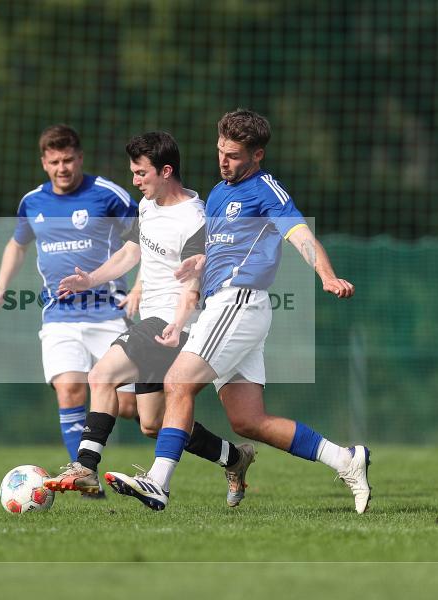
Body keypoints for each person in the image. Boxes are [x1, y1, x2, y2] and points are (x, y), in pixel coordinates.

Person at [105, 109, 372, 513]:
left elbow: (300, 235)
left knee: (177, 381)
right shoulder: (217, 193)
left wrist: (326, 275)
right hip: (224, 304)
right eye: (219, 152)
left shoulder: (267, 191)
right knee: (248, 421)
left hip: (239, 300)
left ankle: (157, 483)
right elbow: (219, 247)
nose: (223, 161)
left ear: (257, 155)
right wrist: (199, 263)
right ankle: (346, 459)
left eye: (233, 155)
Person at [43, 131, 255, 507]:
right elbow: (131, 252)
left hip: (174, 325)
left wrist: (178, 322)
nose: (135, 181)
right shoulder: (147, 205)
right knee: (152, 424)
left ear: (166, 171)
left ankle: (85, 465)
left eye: (141, 174)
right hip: (160, 322)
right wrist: (89, 279)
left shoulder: (194, 218)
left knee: (101, 374)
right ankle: (235, 457)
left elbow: (193, 284)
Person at [0, 124, 137, 496]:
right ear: (44, 163)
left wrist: (143, 288)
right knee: (69, 389)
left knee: (134, 409)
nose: (62, 168)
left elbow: (144, 238)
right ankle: (85, 478)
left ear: (80, 158)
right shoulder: (32, 202)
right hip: (59, 316)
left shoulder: (107, 195)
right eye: (54, 162)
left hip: (109, 313)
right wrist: (0, 286)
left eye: (68, 160)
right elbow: (17, 245)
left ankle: (198, 445)